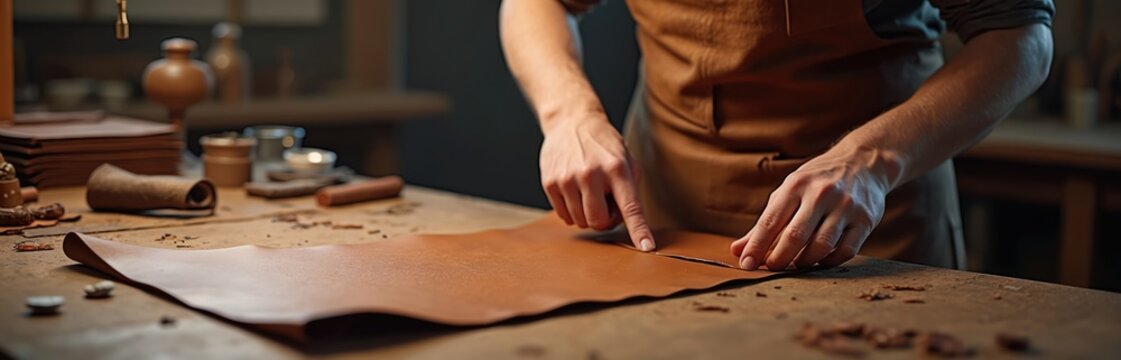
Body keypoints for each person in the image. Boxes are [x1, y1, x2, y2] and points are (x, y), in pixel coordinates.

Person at [500, 0, 1054, 270]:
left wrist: (870, 160)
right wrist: (568, 112)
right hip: (663, 215)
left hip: (869, 226)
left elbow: (1021, 37)